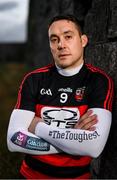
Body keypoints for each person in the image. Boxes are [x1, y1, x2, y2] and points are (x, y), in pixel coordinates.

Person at [7, 14, 114, 179]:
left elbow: (93, 147)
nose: (61, 45)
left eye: (68, 36)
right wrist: (74, 140)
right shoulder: (34, 79)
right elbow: (14, 140)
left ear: (83, 40)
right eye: (54, 39)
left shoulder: (99, 81)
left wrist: (37, 127)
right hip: (30, 175)